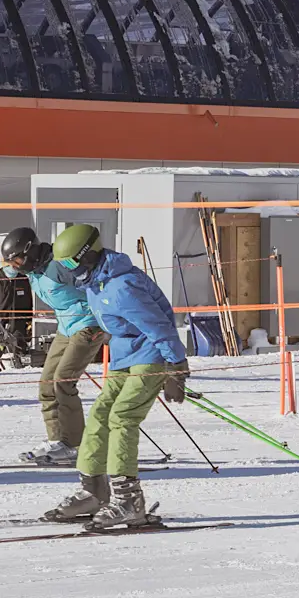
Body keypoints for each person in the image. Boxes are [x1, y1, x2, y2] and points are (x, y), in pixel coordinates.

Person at [38, 225, 188, 529]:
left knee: (123, 417)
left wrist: (176, 368)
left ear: (87, 256)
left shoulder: (123, 286)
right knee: (100, 416)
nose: (67, 272)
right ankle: (93, 491)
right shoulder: (94, 283)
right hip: (124, 356)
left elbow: (159, 326)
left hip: (151, 356)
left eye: (69, 264)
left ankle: (128, 501)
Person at [2, 226, 109, 467]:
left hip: (88, 325)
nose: (16, 266)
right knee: (47, 385)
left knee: (63, 381)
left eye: (18, 260)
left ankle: (76, 445)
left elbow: (95, 285)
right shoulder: (32, 269)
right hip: (66, 327)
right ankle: (57, 441)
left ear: (30, 252)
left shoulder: (59, 267)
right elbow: (8, 270)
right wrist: (9, 265)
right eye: (14, 262)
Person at [0, 262, 37, 372]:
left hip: (18, 321)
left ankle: (21, 370)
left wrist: (29, 321)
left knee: (19, 347)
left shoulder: (22, 279)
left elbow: (28, 302)